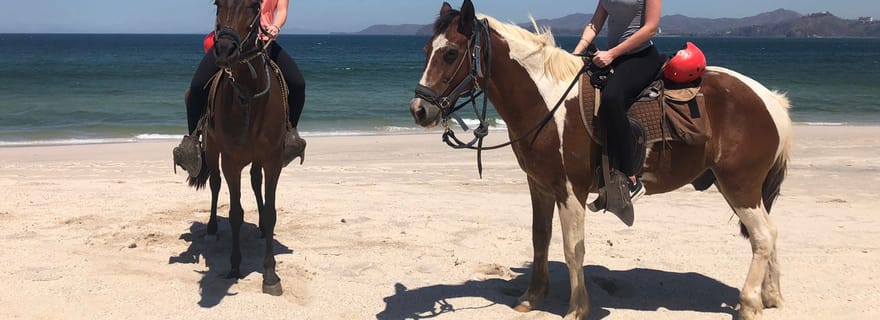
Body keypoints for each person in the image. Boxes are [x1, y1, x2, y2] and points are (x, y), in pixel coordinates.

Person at [174, 0, 306, 176]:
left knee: (298, 84)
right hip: (232, 42)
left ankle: (290, 134)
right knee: (197, 86)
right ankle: (192, 140)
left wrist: (275, 26)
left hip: (264, 41)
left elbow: (281, 11)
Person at [573, 0, 663, 203]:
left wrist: (612, 53)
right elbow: (594, 24)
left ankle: (630, 178)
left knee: (612, 98)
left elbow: (651, 28)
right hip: (612, 58)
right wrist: (576, 53)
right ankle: (602, 175)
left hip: (641, 57)